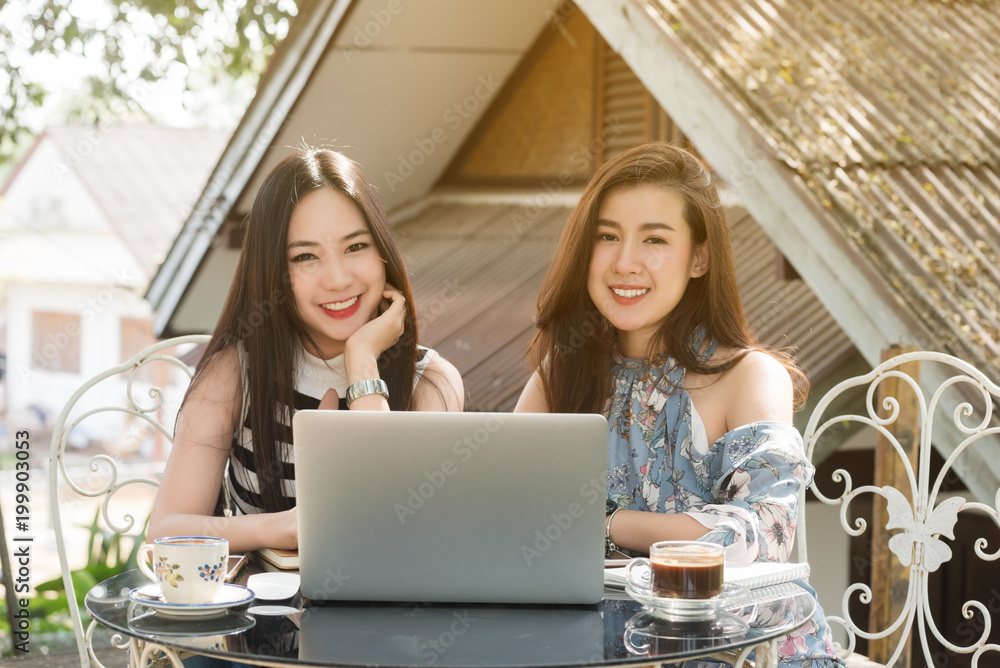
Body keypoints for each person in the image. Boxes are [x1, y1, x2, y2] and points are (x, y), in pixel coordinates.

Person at [515, 142, 844, 666]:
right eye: (607, 236)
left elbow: (761, 534)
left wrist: (603, 525)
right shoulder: (563, 372)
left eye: (655, 239)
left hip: (745, 653)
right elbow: (503, 513)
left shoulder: (748, 375)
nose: (626, 263)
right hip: (595, 650)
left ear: (699, 257)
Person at [147, 148, 464, 552]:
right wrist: (287, 528)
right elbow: (166, 529)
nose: (336, 279)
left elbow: (402, 532)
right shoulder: (236, 374)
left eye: (355, 247)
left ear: (383, 252)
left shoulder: (430, 382)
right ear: (273, 272)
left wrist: (362, 362)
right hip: (259, 612)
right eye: (305, 256)